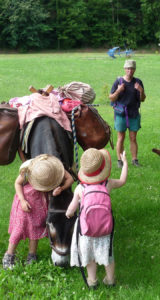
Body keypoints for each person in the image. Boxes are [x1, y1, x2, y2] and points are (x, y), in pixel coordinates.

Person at [66, 148, 128, 289]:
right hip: (105, 229)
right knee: (108, 255)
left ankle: (92, 281)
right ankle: (110, 280)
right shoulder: (108, 184)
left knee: (89, 257)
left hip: (86, 230)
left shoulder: (80, 188)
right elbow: (123, 181)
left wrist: (68, 214)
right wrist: (124, 163)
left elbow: (71, 209)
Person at [2, 154, 74, 269]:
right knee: (19, 229)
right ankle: (9, 255)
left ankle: (32, 255)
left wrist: (61, 188)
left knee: (35, 229)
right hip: (26, 204)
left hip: (40, 205)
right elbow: (17, 183)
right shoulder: (29, 168)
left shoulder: (53, 167)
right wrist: (22, 200)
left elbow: (70, 178)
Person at [109, 59, 146, 168]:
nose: (130, 71)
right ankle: (120, 160)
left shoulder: (138, 82)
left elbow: (143, 99)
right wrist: (119, 90)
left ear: (134, 70)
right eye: (128, 68)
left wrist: (141, 91)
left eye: (132, 68)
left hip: (133, 113)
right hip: (121, 114)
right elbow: (111, 97)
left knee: (133, 138)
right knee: (121, 137)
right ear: (125, 69)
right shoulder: (118, 82)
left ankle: (134, 160)